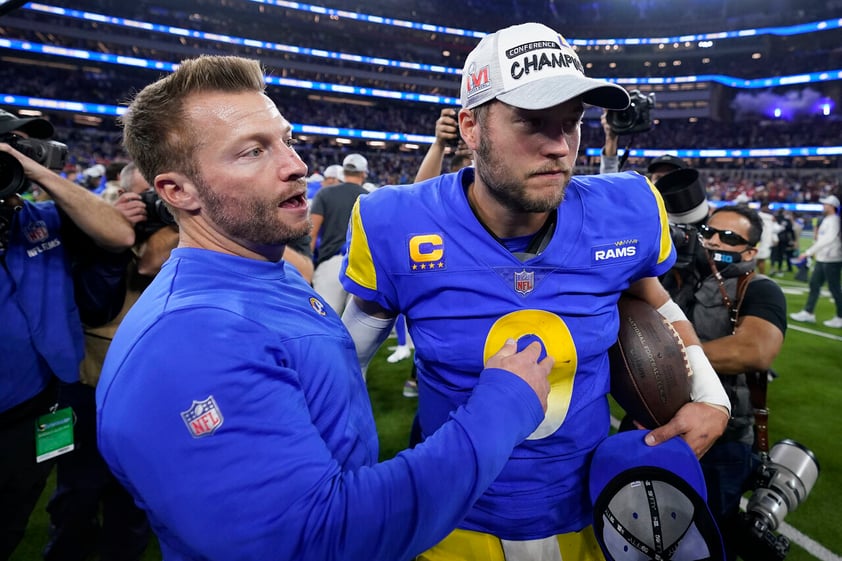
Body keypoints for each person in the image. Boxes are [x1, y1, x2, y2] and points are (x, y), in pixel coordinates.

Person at [96, 54, 555, 561]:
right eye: (252, 152)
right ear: (177, 191)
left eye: (286, 141)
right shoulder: (187, 341)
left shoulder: (267, 275)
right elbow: (317, 539)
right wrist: (502, 406)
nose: (296, 165)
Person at [340, 22, 729, 560]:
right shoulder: (395, 221)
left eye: (571, 123)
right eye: (532, 122)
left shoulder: (628, 208)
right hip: (453, 515)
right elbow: (348, 358)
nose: (560, 146)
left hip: (592, 510)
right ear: (472, 128)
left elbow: (654, 299)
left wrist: (714, 397)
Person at [0, 109, 135, 560]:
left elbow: (117, 234)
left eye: (25, 147)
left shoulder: (44, 217)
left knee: (14, 514)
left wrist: (37, 174)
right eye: (11, 145)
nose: (17, 155)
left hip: (39, 403)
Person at [43, 164, 164, 561]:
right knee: (76, 491)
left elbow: (150, 265)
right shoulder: (93, 231)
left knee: (133, 497)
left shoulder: (182, 237)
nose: (155, 203)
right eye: (146, 195)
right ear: (123, 194)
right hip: (86, 388)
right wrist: (112, 237)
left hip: (148, 394)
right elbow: (94, 306)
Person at [666, 205, 787, 560]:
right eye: (709, 232)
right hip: (655, 421)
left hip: (724, 439)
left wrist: (666, 358)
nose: (714, 241)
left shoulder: (760, 288)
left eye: (729, 237)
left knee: (707, 537)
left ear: (750, 252)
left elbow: (755, 350)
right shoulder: (678, 276)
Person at [309, 153, 370, 314]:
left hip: (331, 263)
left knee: (324, 321)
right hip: (362, 266)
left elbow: (311, 233)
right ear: (364, 173)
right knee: (356, 329)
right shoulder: (371, 197)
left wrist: (307, 265)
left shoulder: (325, 194)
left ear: (343, 172)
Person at [790, 194, 842, 327]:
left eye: (825, 204)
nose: (823, 206)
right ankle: (808, 313)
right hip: (823, 258)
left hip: (832, 259)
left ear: (832, 206)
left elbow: (828, 239)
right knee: (814, 284)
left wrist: (808, 252)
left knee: (834, 288)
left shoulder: (834, 220)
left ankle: (840, 317)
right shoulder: (827, 219)